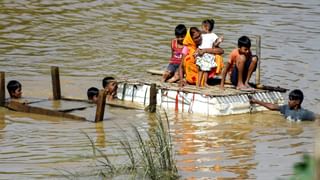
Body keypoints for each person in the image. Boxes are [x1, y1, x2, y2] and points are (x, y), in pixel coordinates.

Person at [249, 89, 315, 121]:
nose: (288, 101)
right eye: (289, 99)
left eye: (291, 99)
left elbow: (317, 118)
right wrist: (256, 101)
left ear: (297, 101)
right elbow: (272, 107)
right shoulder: (286, 108)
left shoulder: (305, 113)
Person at [196, 19, 224, 87]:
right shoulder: (201, 35)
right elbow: (198, 44)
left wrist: (219, 41)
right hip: (201, 53)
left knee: (206, 69)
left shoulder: (213, 35)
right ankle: (199, 83)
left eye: (202, 27)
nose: (201, 28)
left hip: (208, 54)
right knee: (201, 69)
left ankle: (204, 82)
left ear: (206, 27)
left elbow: (215, 44)